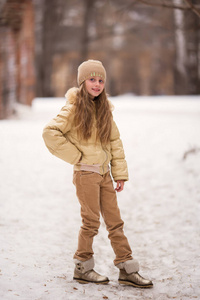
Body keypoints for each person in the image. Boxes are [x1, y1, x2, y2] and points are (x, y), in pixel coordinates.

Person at [42, 60, 153, 288]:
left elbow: (114, 142)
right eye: (92, 79)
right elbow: (50, 132)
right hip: (85, 175)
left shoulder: (104, 109)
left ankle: (126, 268)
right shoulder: (72, 109)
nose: (97, 84)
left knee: (115, 222)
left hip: (104, 176)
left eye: (101, 80)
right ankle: (83, 267)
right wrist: (77, 157)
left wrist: (119, 173)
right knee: (91, 222)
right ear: (82, 82)